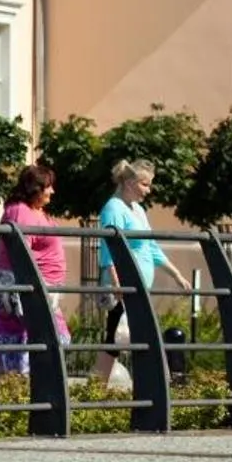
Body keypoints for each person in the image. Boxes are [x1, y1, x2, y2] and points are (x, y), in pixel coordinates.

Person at [93, 157, 191, 388]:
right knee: (121, 339)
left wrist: (176, 274)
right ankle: (160, 386)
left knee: (116, 341)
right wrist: (117, 284)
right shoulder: (113, 208)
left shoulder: (138, 209)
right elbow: (108, 248)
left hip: (139, 287)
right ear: (129, 183)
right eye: (145, 184)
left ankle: (99, 389)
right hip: (123, 287)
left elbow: (151, 247)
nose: (149, 190)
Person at [0, 163, 70, 376]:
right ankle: (23, 389)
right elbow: (20, 253)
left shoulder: (35, 211)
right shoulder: (20, 212)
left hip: (42, 286)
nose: (52, 191)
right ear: (35, 188)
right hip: (25, 286)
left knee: (51, 338)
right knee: (39, 337)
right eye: (48, 186)